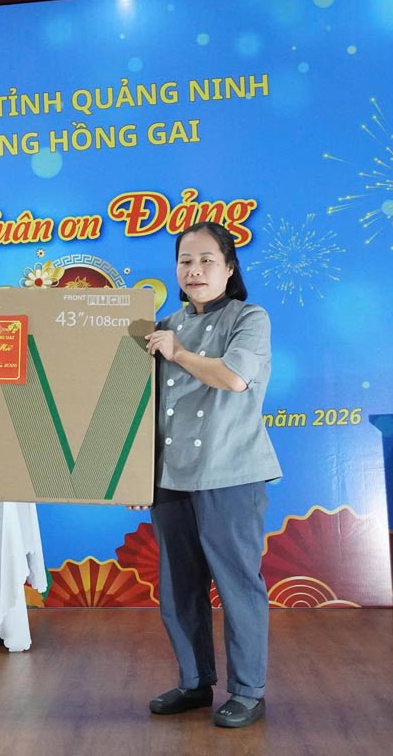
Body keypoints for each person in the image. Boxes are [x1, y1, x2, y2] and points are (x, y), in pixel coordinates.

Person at [143, 220, 281, 729]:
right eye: (185, 261)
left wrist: (177, 352)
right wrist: (137, 477)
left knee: (238, 583)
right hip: (170, 478)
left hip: (231, 473)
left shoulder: (250, 318)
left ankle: (248, 690)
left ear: (228, 267)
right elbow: (144, 409)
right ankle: (195, 682)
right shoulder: (161, 324)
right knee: (179, 586)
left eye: (206, 260)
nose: (194, 271)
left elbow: (234, 377)